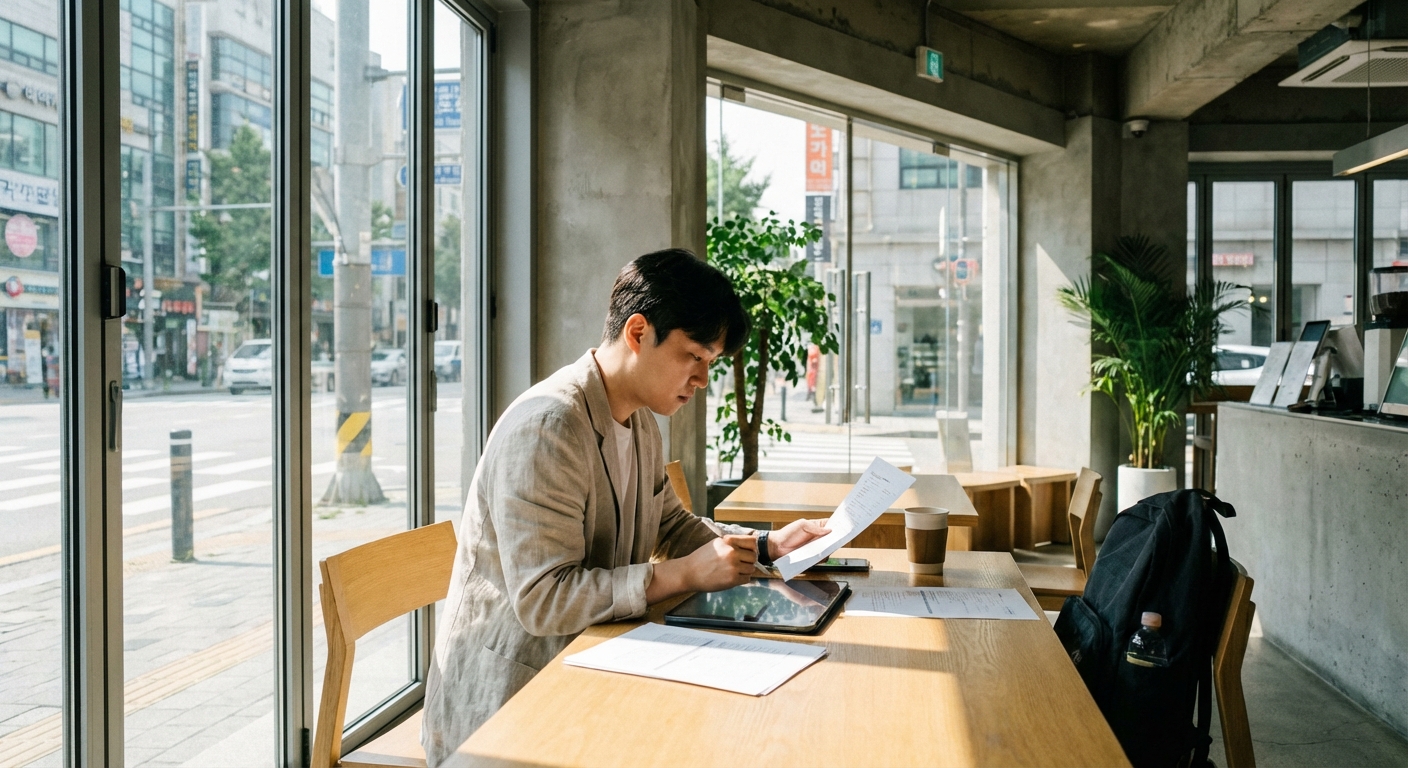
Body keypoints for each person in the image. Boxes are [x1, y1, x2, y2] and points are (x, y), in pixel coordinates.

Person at [421, 249, 829, 765]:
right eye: (695, 357)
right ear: (638, 332)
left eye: (711, 363)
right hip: (510, 707)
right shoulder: (548, 428)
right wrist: (681, 576)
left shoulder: (638, 421)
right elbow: (545, 600)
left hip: (588, 666)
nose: (703, 380)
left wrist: (765, 544)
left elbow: (670, 525)